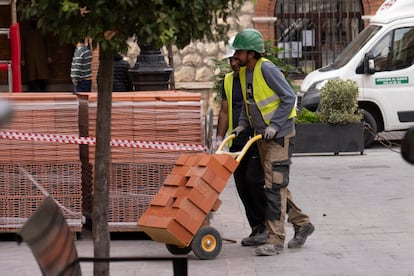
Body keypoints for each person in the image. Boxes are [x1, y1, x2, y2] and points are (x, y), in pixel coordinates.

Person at [230, 28, 314, 256]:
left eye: (240, 51)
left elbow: (289, 97)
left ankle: (276, 240)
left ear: (252, 52)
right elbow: (250, 103)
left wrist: (275, 125)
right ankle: (303, 223)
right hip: (261, 137)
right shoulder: (247, 72)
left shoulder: (267, 68)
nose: (236, 55)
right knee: (273, 183)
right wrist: (242, 125)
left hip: (279, 136)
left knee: (274, 188)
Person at [214, 38, 267, 246]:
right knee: (242, 185)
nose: (234, 63)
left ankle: (266, 225)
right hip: (237, 140)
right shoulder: (228, 80)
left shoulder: (252, 76)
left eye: (237, 58)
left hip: (256, 137)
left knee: (254, 180)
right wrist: (218, 138)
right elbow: (225, 110)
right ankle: (256, 228)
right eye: (231, 59)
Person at [21, 20, 52, 92]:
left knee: (42, 73)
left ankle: (42, 88)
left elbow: (47, 44)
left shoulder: (42, 31)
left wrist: (49, 55)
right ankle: (33, 89)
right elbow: (22, 45)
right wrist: (22, 58)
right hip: (30, 56)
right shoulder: (26, 31)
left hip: (41, 55)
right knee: (32, 74)